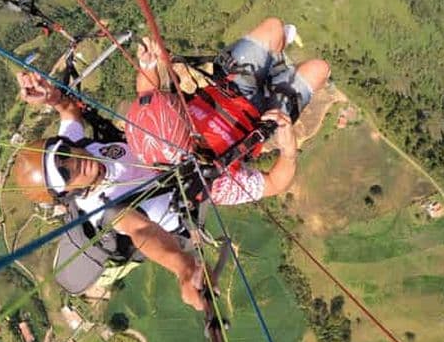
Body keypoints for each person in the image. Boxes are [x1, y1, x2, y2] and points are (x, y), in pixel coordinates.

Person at [12, 71, 206, 310]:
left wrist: (51, 97)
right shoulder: (104, 208)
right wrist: (183, 268)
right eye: (65, 174)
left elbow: (68, 110)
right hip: (194, 191)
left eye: (63, 154)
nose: (73, 163)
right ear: (67, 193)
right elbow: (140, 230)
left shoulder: (77, 147)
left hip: (171, 152)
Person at [126, 17, 330, 205]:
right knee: (319, 69)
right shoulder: (214, 185)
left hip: (232, 86)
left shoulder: (158, 140)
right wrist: (289, 152)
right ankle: (272, 69)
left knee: (274, 28)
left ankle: (274, 60)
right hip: (265, 118)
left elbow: (147, 91)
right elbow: (276, 184)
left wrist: (148, 64)